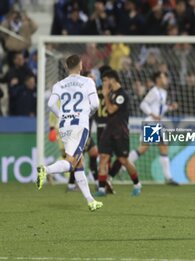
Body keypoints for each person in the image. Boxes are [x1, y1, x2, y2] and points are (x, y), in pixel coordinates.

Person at [36, 54, 103, 212]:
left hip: (64, 126)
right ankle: (46, 169)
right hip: (80, 126)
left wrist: (62, 115)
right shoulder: (88, 82)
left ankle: (90, 200)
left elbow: (51, 104)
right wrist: (87, 113)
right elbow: (95, 104)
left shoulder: (59, 84)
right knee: (71, 162)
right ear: (81, 65)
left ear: (66, 66)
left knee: (78, 164)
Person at [96, 70, 142, 196]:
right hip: (108, 130)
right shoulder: (111, 94)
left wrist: (105, 95)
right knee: (103, 158)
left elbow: (110, 110)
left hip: (120, 133)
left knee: (123, 160)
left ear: (113, 80)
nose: (104, 83)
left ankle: (137, 184)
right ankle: (101, 189)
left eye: (105, 80)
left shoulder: (122, 95)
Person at [128, 71, 179, 185]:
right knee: (144, 148)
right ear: (157, 80)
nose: (165, 79)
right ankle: (124, 164)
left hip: (156, 123)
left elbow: (159, 108)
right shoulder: (154, 91)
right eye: (162, 77)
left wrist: (170, 107)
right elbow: (143, 104)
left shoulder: (163, 92)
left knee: (162, 148)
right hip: (151, 122)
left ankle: (168, 178)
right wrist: (152, 114)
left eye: (165, 77)